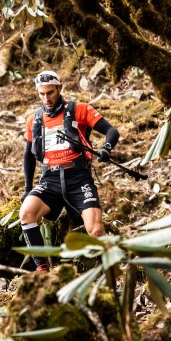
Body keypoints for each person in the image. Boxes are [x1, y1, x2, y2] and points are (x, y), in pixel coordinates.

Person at [20, 70, 120, 271]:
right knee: (26, 214)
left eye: (50, 92)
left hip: (79, 178)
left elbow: (112, 131)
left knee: (96, 230)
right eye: (41, 94)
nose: (46, 98)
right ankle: (42, 270)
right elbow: (29, 155)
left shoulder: (80, 109)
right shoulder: (34, 120)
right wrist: (28, 187)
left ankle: (113, 272)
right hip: (50, 180)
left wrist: (106, 148)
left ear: (59, 88)